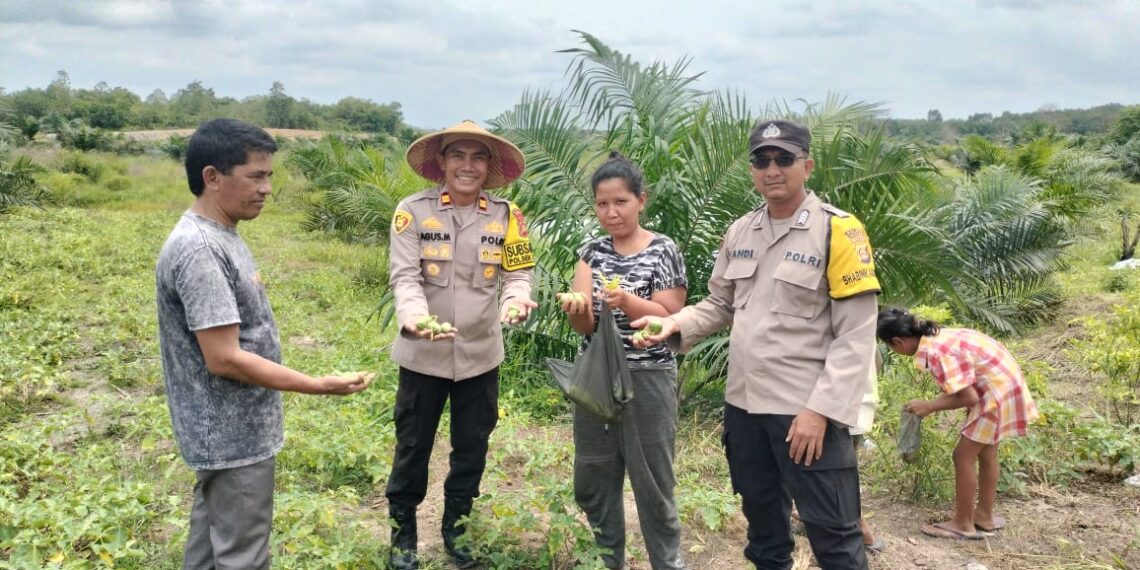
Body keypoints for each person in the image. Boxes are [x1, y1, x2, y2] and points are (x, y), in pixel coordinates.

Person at [632, 119, 880, 569]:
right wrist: (672, 323)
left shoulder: (837, 231)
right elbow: (720, 303)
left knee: (835, 538)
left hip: (804, 412)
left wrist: (820, 411)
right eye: (762, 160)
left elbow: (856, 334)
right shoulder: (741, 231)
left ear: (807, 166)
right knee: (765, 536)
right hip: (744, 410)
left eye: (784, 158)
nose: (772, 169)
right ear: (752, 170)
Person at [156, 118, 369, 570]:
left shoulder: (220, 234)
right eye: (256, 176)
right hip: (230, 437)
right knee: (243, 556)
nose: (267, 188)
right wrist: (317, 385)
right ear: (212, 177)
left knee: (209, 548)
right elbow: (224, 358)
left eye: (268, 175)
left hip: (228, 434)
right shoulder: (200, 249)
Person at [386, 119, 537, 569]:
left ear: (489, 166)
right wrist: (414, 318)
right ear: (442, 162)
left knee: (472, 448)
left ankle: (458, 529)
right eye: (458, 155)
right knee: (412, 446)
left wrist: (516, 300)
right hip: (423, 355)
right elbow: (405, 277)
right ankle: (402, 536)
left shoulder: (508, 216)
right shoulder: (412, 212)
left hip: (480, 356)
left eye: (477, 157)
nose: (467, 166)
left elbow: (518, 274)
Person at [559, 152, 689, 570]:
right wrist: (577, 307)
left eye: (620, 202)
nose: (611, 212)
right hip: (596, 377)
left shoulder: (663, 249)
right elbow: (585, 327)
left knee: (653, 480)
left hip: (648, 376)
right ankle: (606, 560)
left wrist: (627, 301)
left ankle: (667, 563)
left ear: (640, 200)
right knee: (595, 476)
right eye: (602, 204)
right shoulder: (591, 252)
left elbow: (671, 315)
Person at [877, 307, 1039, 540]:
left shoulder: (937, 352)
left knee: (962, 457)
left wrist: (929, 405)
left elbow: (968, 397)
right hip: (1003, 384)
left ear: (897, 342)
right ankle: (984, 516)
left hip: (994, 394)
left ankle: (963, 524)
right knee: (987, 452)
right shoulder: (936, 336)